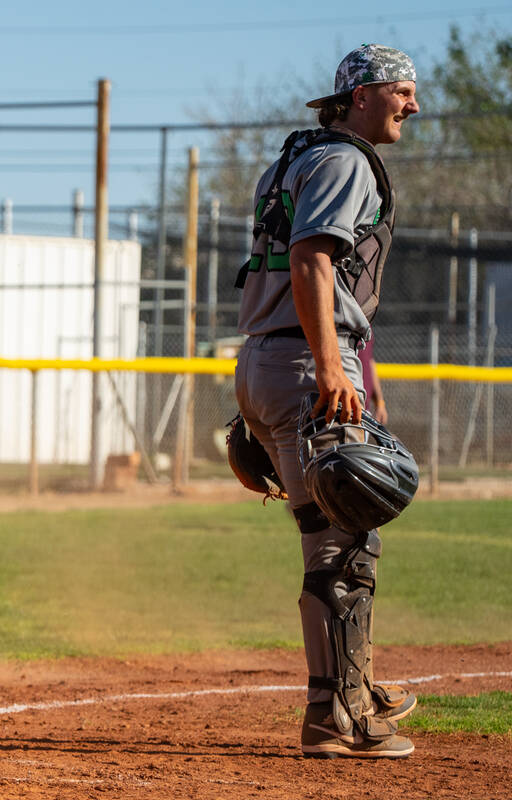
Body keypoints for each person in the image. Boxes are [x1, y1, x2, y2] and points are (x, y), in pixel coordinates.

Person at [233, 44, 419, 758]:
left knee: (328, 537)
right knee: (347, 542)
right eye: (402, 90)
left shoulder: (293, 160)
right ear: (363, 94)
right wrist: (326, 368)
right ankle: (343, 717)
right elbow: (311, 258)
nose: (413, 105)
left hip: (270, 355)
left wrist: (264, 392)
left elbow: (273, 275)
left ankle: (343, 693)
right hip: (308, 359)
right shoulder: (344, 161)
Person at [358, 337, 387, 424]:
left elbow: (369, 362)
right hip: (344, 407)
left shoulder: (366, 326)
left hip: (365, 408)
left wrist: (379, 402)